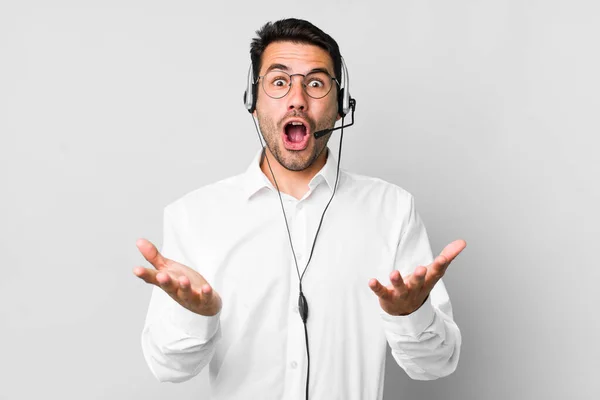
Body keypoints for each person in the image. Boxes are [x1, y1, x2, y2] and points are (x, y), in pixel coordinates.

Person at [133, 18, 466, 400]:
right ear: (252, 103)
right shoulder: (193, 217)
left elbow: (436, 365)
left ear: (341, 105)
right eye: (278, 82)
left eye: (315, 83)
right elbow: (166, 367)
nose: (297, 98)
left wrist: (411, 313)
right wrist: (197, 315)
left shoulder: (392, 211)